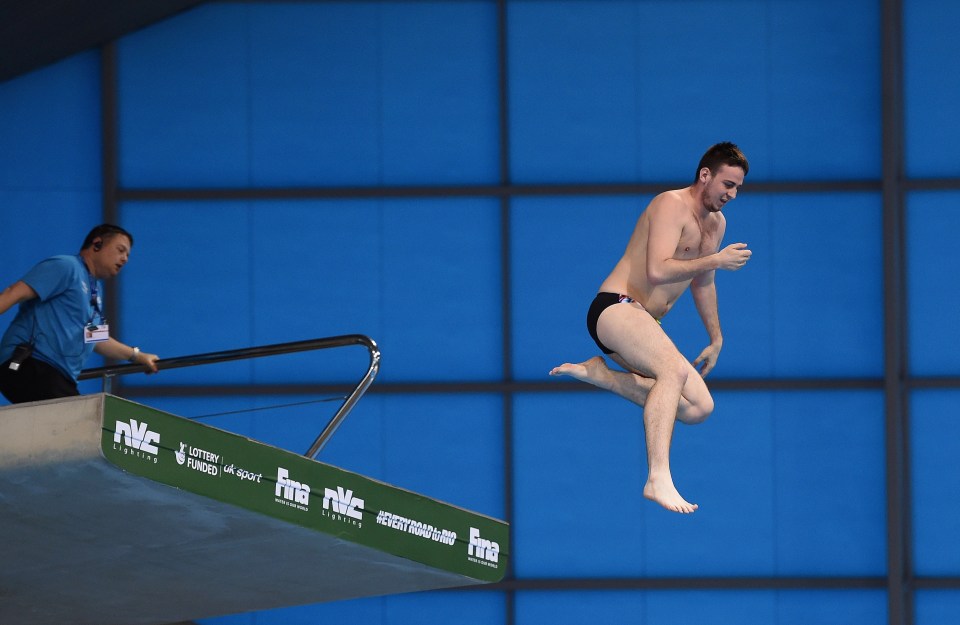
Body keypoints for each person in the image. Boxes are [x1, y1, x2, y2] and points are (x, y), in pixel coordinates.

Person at [550, 142, 752, 514]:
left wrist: (716, 337)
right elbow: (657, 269)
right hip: (616, 307)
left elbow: (703, 281)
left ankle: (603, 376)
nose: (731, 194)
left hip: (645, 321)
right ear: (705, 175)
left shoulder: (717, 224)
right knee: (672, 370)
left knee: (699, 407)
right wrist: (718, 260)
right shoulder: (669, 205)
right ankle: (658, 476)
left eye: (737, 187)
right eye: (727, 183)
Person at [0, 224, 159, 404]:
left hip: (59, 377)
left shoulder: (95, 290)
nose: (124, 259)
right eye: (120, 250)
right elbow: (13, 293)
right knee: (79, 425)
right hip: (31, 364)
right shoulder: (66, 266)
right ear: (97, 244)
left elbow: (96, 339)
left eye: (128, 255)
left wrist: (137, 355)